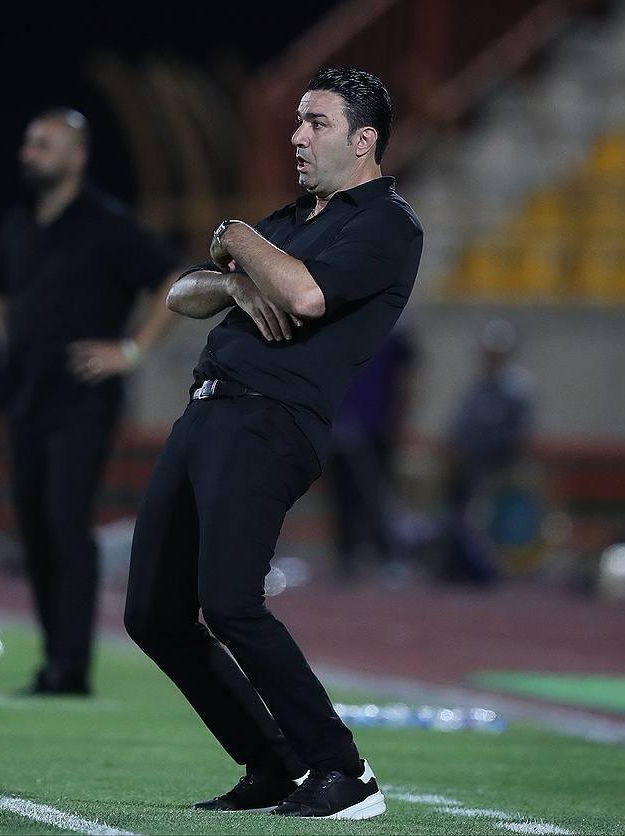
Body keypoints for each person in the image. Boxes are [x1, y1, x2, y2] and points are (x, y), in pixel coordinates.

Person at [125, 68, 420, 819]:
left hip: (271, 420)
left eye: (316, 124)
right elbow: (182, 294)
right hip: (205, 412)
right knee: (152, 614)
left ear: (363, 140)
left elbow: (305, 296)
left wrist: (234, 237)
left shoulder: (387, 223)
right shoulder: (289, 220)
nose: (297, 137)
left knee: (231, 602)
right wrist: (234, 281)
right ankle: (274, 763)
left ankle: (344, 772)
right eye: (298, 121)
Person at [0, 108, 178, 696]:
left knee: (67, 520)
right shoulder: (18, 221)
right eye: (28, 143)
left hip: (83, 398)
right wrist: (9, 343)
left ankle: (72, 668)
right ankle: (52, 660)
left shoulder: (108, 224)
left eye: (44, 144)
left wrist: (131, 351)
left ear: (77, 156)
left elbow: (173, 280)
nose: (30, 152)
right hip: (26, 394)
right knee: (35, 527)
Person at [440, 319, 533, 586]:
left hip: (499, 465)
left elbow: (518, 433)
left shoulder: (517, 388)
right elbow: (460, 426)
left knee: (483, 512)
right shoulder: (476, 387)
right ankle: (457, 560)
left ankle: (491, 564)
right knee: (454, 506)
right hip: (469, 466)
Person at [325, 324, 418, 582]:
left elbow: (406, 376)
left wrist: (397, 421)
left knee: (377, 494)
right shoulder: (336, 324)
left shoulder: (394, 329)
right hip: (340, 424)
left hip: (377, 428)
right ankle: (347, 555)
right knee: (342, 495)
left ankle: (388, 555)